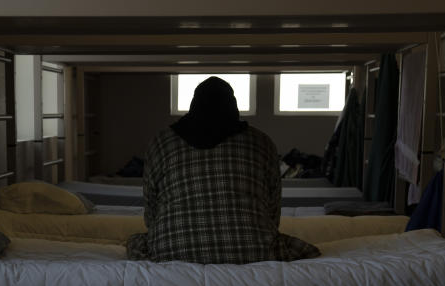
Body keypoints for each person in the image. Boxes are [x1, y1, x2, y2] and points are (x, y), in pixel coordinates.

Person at [126, 76, 319, 264]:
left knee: (135, 242)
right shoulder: (262, 143)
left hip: (171, 248)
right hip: (255, 248)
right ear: (233, 106)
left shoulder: (160, 143)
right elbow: (272, 211)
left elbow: (151, 214)